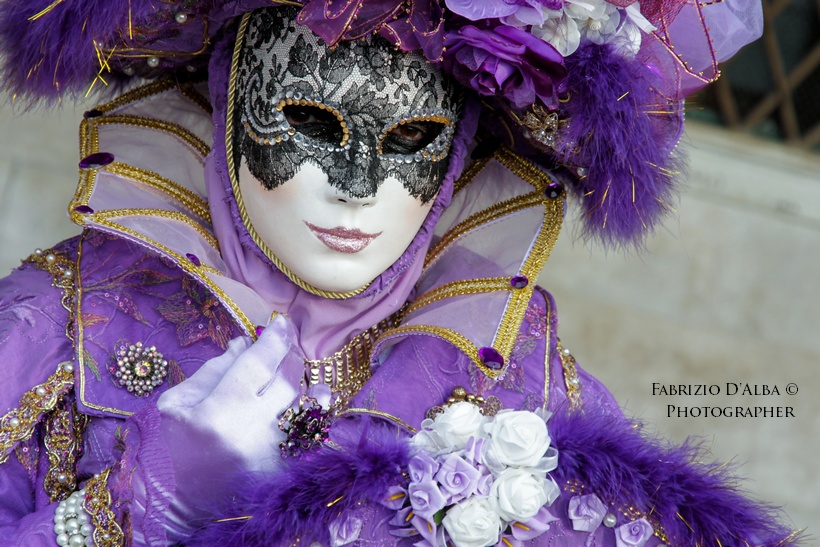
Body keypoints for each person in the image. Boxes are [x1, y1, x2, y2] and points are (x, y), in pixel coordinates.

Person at [0, 1, 801, 545]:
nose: (356, 184)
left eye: (411, 140)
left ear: (458, 160)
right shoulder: (48, 330)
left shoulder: (525, 386)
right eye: (312, 123)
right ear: (225, 100)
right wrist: (127, 512)